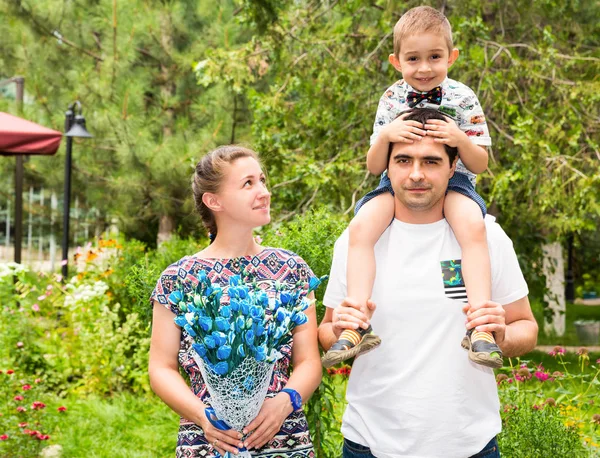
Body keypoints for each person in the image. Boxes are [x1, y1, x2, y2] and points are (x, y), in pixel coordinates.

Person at [318, 108, 538, 458]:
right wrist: (339, 328)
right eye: (403, 160)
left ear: (453, 168)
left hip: (468, 445)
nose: (416, 174)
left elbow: (526, 326)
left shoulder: (487, 236)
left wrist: (502, 335)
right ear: (387, 167)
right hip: (370, 444)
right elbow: (326, 331)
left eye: (431, 162)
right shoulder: (356, 239)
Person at [321, 6, 499, 369]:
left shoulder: (463, 98)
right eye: (413, 59)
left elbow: (480, 162)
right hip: (396, 181)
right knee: (361, 226)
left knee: (472, 225)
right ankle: (355, 322)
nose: (424, 68)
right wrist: (386, 135)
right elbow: (374, 166)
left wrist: (458, 138)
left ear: (452, 56)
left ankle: (481, 326)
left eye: (435, 57)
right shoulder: (391, 99)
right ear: (395, 61)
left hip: (456, 178)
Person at [149, 145, 322, 458]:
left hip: (285, 440)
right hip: (208, 442)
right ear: (214, 201)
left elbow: (309, 361)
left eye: (262, 180)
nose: (264, 191)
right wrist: (203, 416)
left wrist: (285, 402)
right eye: (248, 184)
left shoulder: (292, 270)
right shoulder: (179, 278)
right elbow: (161, 368)